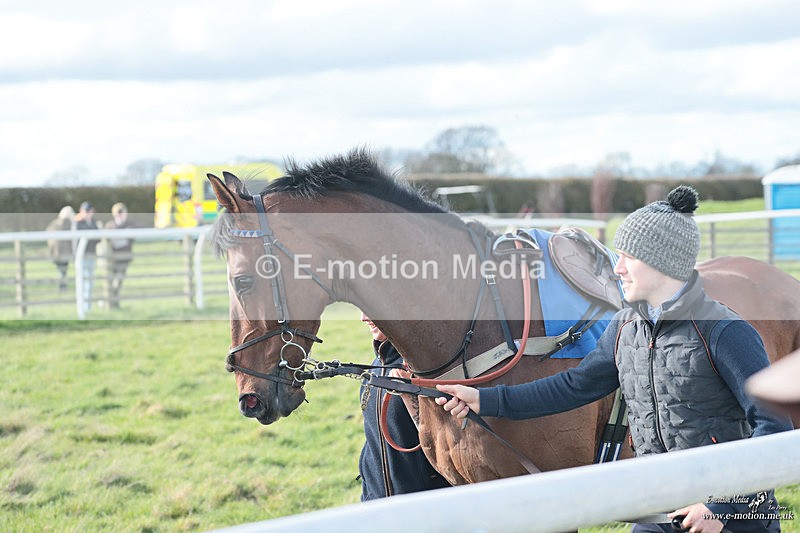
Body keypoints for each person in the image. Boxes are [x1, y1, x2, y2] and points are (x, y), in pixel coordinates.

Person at [435, 186, 792, 533]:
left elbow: (773, 429)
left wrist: (723, 508)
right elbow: (573, 387)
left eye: (627, 257)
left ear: (661, 262)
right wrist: (485, 400)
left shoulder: (726, 331)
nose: (617, 268)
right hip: (658, 513)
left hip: (727, 520)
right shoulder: (625, 327)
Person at [358, 312, 450, 500]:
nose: (363, 318)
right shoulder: (374, 367)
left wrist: (412, 395)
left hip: (424, 506)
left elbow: (447, 438)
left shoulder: (427, 368)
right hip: (374, 504)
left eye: (368, 309)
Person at [72, 201, 101, 312]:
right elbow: (77, 241)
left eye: (90, 211)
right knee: (82, 282)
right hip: (81, 257)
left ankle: (87, 308)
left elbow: (97, 239)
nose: (88, 213)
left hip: (91, 255)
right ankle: (81, 308)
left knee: (89, 282)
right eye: (86, 211)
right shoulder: (77, 223)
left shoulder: (93, 222)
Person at [104, 202, 135, 308]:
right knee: (111, 283)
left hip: (124, 260)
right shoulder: (109, 226)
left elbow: (131, 240)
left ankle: (114, 303)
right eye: (118, 213)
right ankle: (111, 304)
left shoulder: (130, 225)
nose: (121, 215)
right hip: (112, 260)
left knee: (118, 283)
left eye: (122, 213)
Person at [46, 206, 75, 291]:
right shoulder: (68, 224)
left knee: (62, 270)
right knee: (62, 270)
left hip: (55, 252)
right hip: (62, 252)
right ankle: (62, 286)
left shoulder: (53, 223)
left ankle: (62, 285)